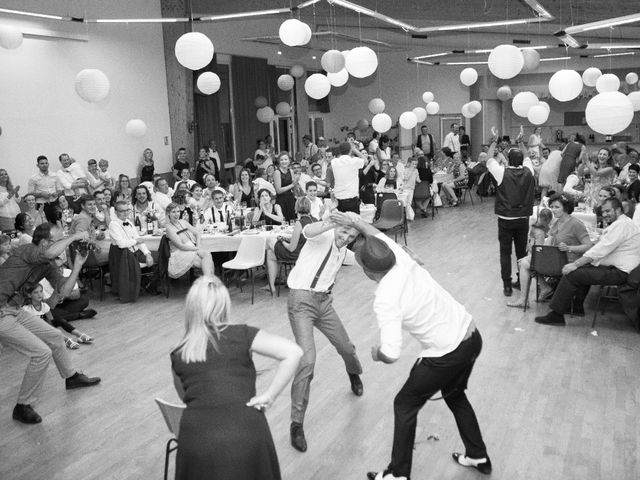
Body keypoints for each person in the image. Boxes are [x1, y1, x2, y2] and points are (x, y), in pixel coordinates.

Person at [327, 212, 490, 479]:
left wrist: (376, 354)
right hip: (472, 336)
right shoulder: (399, 258)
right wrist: (355, 221)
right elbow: (374, 233)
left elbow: (391, 352)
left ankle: (398, 474)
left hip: (446, 353)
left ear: (367, 271)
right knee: (455, 395)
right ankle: (477, 455)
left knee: (404, 404)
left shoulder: (386, 298)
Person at [170, 276, 302, 480]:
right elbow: (294, 352)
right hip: (246, 435)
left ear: (191, 308)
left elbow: (186, 397)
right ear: (224, 305)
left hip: (196, 441)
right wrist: (270, 395)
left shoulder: (180, 353)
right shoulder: (242, 335)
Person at [0, 223, 101, 424]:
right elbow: (47, 254)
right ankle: (22, 406)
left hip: (14, 310)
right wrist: (73, 237)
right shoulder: (27, 250)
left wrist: (78, 265)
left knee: (55, 336)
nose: (63, 246)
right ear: (45, 242)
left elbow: (64, 292)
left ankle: (71, 377)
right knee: (41, 353)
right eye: (59, 240)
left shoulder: (47, 265)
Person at [285, 213, 364, 452]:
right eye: (343, 232)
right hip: (301, 302)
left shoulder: (343, 251)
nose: (345, 238)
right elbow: (308, 231)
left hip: (324, 303)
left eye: (351, 236)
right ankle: (296, 424)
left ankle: (354, 373)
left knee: (346, 347)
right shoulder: (322, 237)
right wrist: (332, 223)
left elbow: (362, 260)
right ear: (336, 227)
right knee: (307, 361)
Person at [536, 197, 640, 325]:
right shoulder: (623, 223)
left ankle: (556, 315)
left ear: (618, 210)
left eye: (608, 211)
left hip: (620, 272)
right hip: (619, 268)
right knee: (582, 268)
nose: (605, 214)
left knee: (572, 273)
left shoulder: (622, 225)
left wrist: (575, 264)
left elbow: (601, 249)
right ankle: (576, 307)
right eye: (603, 212)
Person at [487, 127, 535, 297]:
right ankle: (521, 281)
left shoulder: (501, 172)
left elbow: (489, 157)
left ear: (508, 160)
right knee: (522, 252)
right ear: (522, 160)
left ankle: (507, 286)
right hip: (523, 218)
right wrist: (521, 141)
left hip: (506, 218)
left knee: (505, 252)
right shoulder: (529, 171)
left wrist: (494, 141)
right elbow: (528, 156)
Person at [264, 196, 315, 293]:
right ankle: (271, 284)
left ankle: (271, 286)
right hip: (308, 253)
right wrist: (287, 239)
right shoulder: (314, 220)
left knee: (270, 240)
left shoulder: (299, 223)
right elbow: (303, 237)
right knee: (270, 253)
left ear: (296, 208)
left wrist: (282, 241)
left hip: (296, 254)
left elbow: (291, 248)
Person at [22, 282, 93, 350]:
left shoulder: (44, 306)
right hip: (35, 332)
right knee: (46, 326)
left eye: (41, 291)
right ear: (29, 295)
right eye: (36, 292)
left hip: (45, 327)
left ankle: (79, 335)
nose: (40, 294)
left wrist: (54, 328)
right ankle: (66, 340)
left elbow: (51, 321)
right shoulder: (26, 309)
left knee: (59, 320)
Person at [165, 203, 215, 279]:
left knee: (207, 254)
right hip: (180, 252)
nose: (176, 214)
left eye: (178, 211)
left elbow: (197, 233)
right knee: (207, 264)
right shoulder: (168, 227)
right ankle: (210, 284)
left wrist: (198, 245)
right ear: (168, 213)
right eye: (173, 212)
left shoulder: (183, 221)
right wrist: (196, 249)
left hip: (191, 248)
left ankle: (208, 283)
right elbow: (180, 246)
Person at [332, 142, 365, 214]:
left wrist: (348, 146)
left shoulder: (334, 162)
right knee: (354, 224)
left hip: (339, 201)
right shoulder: (354, 161)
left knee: (340, 224)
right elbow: (365, 160)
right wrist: (354, 149)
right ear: (350, 151)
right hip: (351, 201)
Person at [28, 156, 62, 224]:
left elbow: (60, 190)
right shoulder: (33, 178)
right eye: (42, 163)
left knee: (57, 224)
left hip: (54, 204)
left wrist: (56, 193)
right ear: (38, 165)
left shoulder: (55, 175)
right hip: (41, 205)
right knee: (44, 226)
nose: (44, 165)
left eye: (46, 163)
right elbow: (30, 194)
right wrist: (41, 194)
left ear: (48, 164)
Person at [273, 151, 297, 221]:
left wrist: (296, 195)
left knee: (292, 221)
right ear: (279, 161)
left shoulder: (291, 171)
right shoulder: (277, 172)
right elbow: (278, 190)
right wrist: (292, 185)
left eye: (286, 159)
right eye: (281, 160)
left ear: (289, 161)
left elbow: (294, 186)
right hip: (281, 200)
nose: (284, 161)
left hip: (290, 198)